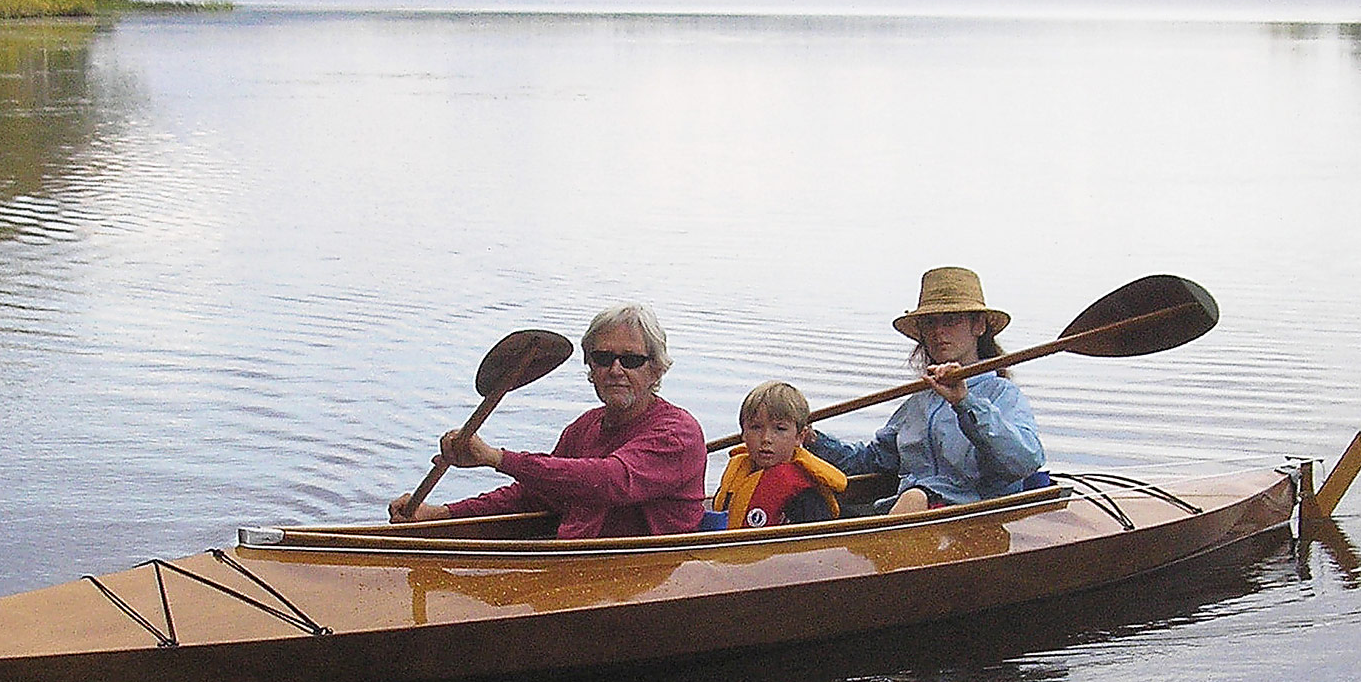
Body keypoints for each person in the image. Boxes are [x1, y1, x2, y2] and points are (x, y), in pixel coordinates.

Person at [389, 304, 708, 538]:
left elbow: (610, 480)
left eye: (631, 359)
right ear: (591, 367)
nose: (615, 370)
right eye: (602, 358)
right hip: (576, 565)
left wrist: (497, 458)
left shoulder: (678, 434)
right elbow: (534, 494)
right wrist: (443, 515)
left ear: (656, 369)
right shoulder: (584, 428)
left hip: (647, 577)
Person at [807, 266, 1045, 512]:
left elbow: (1025, 461)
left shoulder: (1002, 394)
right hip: (910, 513)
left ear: (979, 326)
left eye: (951, 321)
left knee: (915, 498)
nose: (938, 332)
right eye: (930, 323)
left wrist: (964, 403)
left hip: (975, 516)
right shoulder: (919, 400)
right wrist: (814, 440)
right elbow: (874, 460)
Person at [707, 381, 845, 528]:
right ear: (743, 434)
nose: (766, 438)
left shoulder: (806, 497)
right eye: (756, 427)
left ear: (800, 436)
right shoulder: (736, 474)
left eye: (780, 429)